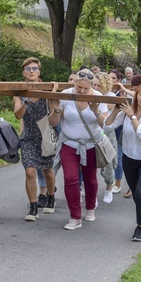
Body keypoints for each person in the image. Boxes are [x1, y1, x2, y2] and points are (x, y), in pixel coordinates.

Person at [48, 68, 108, 230]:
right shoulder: (66, 95)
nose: (81, 91)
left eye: (85, 89)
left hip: (91, 144)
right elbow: (53, 122)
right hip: (69, 142)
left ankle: (90, 208)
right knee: (70, 178)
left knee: (90, 178)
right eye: (78, 88)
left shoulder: (98, 97)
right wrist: (57, 110)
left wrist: (96, 112)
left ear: (91, 87)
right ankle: (75, 216)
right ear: (74, 83)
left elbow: (105, 125)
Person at [104, 82, 141, 242]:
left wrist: (132, 115)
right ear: (136, 95)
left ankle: (140, 226)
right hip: (130, 158)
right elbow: (107, 127)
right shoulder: (127, 110)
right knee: (137, 194)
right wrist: (115, 111)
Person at [13, 57, 57, 221]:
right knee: (30, 172)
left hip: (45, 134)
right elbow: (17, 115)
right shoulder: (19, 91)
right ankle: (33, 207)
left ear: (39, 71)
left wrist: (54, 100)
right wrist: (26, 102)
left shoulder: (46, 89)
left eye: (34, 69)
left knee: (47, 171)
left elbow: (54, 118)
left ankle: (51, 197)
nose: (31, 71)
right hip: (29, 136)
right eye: (28, 69)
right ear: (24, 72)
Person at [92, 72, 117, 203]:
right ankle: (92, 193)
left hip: (107, 133)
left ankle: (109, 188)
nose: (96, 88)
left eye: (99, 85)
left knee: (108, 164)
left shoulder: (110, 97)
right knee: (91, 165)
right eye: (94, 85)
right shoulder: (91, 94)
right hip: (93, 133)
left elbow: (105, 115)